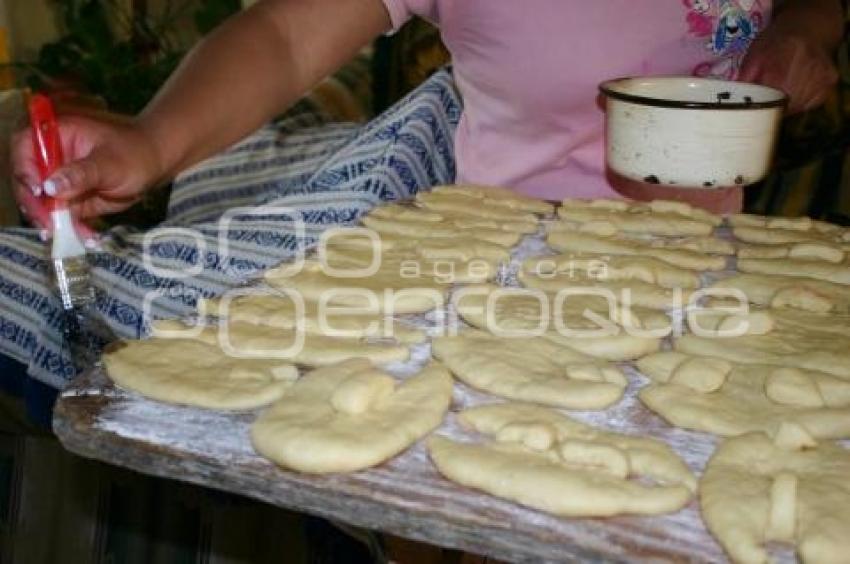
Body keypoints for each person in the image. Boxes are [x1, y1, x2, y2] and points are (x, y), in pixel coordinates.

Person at [1, 0, 845, 394]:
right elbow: (288, 35)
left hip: (706, 283)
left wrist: (802, 30)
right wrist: (151, 141)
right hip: (505, 304)